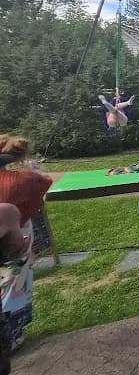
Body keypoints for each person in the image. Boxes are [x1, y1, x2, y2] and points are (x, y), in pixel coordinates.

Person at [0, 135, 53, 351]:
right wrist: (35, 170)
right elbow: (44, 183)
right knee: (14, 282)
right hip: (16, 232)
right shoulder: (23, 179)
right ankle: (11, 335)